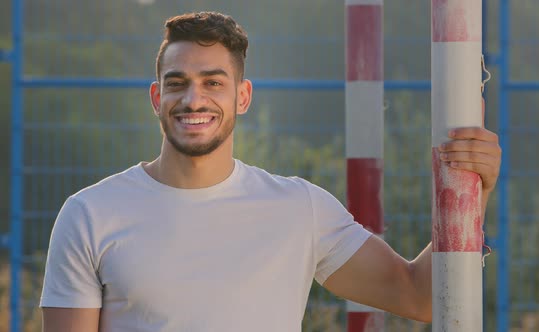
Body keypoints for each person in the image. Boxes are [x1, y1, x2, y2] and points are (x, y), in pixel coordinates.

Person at [40, 11, 502, 332]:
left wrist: (472, 193)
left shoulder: (299, 208)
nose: (193, 99)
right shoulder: (90, 214)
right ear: (157, 98)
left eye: (213, 83)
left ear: (242, 97)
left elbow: (419, 297)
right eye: (176, 83)